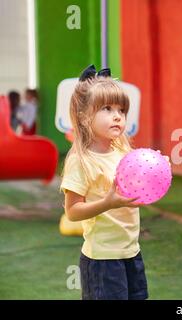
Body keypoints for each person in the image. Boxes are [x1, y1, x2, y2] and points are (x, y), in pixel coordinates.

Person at [60, 65, 149, 300]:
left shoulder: (123, 153)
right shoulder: (81, 161)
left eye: (122, 109)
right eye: (107, 109)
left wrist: (153, 175)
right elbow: (73, 212)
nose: (118, 115)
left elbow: (133, 197)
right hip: (102, 260)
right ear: (84, 116)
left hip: (131, 252)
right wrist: (108, 203)